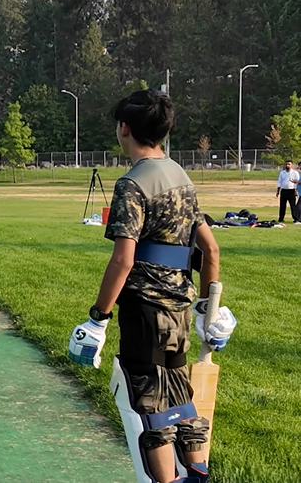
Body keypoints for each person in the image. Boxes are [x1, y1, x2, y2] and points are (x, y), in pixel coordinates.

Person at [67, 89, 236, 483]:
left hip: (144, 309)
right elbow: (210, 249)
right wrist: (206, 308)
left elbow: (124, 260)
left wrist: (98, 318)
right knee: (179, 393)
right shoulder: (182, 176)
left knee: (148, 405)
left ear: (124, 129)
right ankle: (196, 475)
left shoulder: (133, 184)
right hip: (179, 307)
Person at [275, 160, 300, 224]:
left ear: (291, 165)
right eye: (286, 164)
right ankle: (281, 218)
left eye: (289, 164)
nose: (287, 165)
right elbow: (279, 182)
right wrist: (278, 191)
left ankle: (295, 218)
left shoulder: (295, 173)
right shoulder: (282, 173)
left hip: (291, 191)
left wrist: (296, 191)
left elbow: (297, 183)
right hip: (284, 190)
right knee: (282, 206)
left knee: (293, 206)